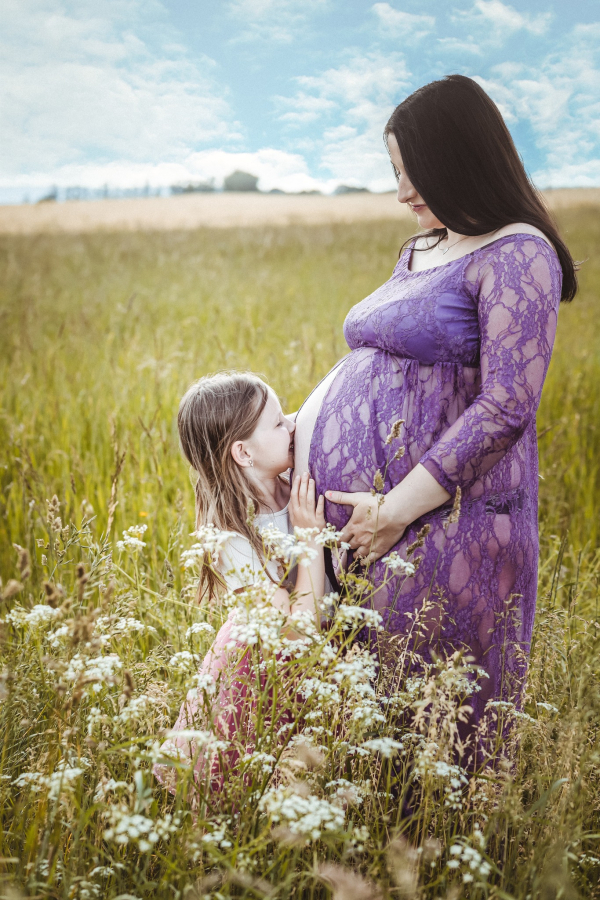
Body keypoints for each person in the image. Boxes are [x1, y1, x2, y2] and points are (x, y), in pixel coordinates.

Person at [293, 74, 577, 758]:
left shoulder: (517, 253)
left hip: (444, 527)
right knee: (366, 727)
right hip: (365, 529)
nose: (401, 191)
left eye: (413, 170)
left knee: (437, 737)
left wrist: (394, 510)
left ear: (460, 158)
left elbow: (507, 406)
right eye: (395, 170)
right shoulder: (421, 248)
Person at [154, 372, 326, 798]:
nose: (293, 423)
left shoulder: (291, 484)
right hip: (263, 672)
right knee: (249, 781)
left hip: (317, 654)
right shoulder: (231, 538)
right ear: (243, 453)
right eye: (277, 423)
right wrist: (310, 539)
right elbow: (297, 633)